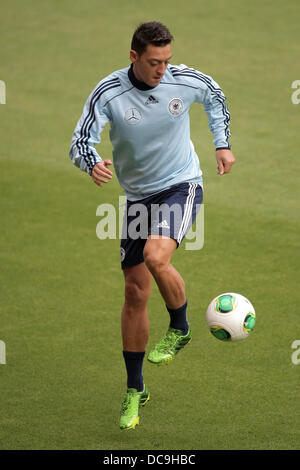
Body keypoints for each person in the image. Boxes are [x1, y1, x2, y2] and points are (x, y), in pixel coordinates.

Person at [69, 21, 235, 430]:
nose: (163, 69)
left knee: (156, 256)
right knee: (134, 291)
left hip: (182, 184)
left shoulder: (183, 81)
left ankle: (180, 327)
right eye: (154, 62)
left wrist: (222, 141)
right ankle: (135, 389)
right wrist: (92, 163)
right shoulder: (108, 92)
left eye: (167, 60)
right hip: (138, 197)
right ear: (134, 57)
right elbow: (80, 140)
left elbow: (215, 96)